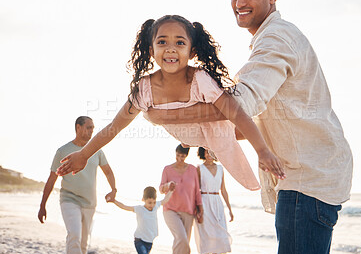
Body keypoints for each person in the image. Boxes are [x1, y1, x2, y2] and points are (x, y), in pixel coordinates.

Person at [145, 0, 353, 254]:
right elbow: (246, 122)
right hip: (317, 174)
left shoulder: (276, 40)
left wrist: (164, 114)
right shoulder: (272, 39)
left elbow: (241, 102)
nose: (239, 3)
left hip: (307, 180)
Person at [56, 14, 286, 188]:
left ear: (192, 51)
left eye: (179, 43)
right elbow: (114, 127)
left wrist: (262, 151)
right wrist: (84, 155)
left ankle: (274, 126)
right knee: (232, 131)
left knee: (240, 128)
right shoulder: (145, 88)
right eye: (162, 42)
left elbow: (234, 112)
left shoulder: (199, 79)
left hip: (216, 131)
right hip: (188, 135)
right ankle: (257, 134)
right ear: (151, 49)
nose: (170, 49)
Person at [38, 116, 117, 254]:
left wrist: (113, 189)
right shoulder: (63, 150)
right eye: (88, 128)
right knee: (74, 234)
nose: (91, 131)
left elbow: (108, 171)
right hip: (69, 198)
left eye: (93, 128)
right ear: (78, 128)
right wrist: (43, 205)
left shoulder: (97, 151)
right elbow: (52, 179)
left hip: (90, 203)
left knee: (82, 243)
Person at [107, 184, 175, 254]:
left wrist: (171, 190)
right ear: (143, 199)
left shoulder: (156, 206)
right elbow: (125, 207)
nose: (151, 205)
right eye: (149, 202)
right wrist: (114, 201)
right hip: (139, 240)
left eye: (152, 202)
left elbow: (165, 200)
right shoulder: (139, 209)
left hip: (149, 240)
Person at [159, 144, 202, 254]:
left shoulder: (192, 170)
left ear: (186, 156)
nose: (179, 158)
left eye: (182, 156)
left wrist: (200, 209)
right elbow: (161, 188)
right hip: (170, 209)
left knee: (182, 243)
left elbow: (197, 191)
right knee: (181, 239)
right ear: (175, 153)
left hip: (189, 211)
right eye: (178, 155)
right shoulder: (167, 169)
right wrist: (167, 186)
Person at [194, 147, 233, 254]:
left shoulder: (221, 168)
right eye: (206, 151)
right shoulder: (199, 168)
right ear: (202, 153)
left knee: (222, 239)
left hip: (217, 205)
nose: (209, 154)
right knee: (205, 241)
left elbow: (223, 190)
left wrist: (229, 208)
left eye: (211, 151)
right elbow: (196, 190)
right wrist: (198, 209)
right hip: (204, 203)